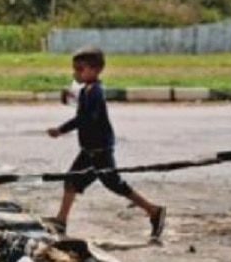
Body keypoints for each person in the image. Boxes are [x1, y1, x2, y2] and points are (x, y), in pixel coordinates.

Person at [47, 46, 166, 238]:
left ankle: (153, 211)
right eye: (75, 69)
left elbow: (85, 118)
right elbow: (83, 110)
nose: (75, 73)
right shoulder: (87, 90)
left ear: (95, 70)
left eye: (80, 69)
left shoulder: (95, 92)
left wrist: (61, 130)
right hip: (89, 149)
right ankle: (61, 220)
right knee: (71, 181)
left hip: (99, 150)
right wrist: (73, 99)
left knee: (115, 185)